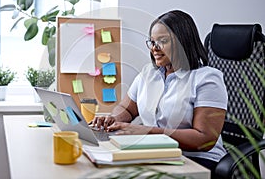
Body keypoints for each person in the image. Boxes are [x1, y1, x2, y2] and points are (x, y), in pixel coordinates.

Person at [92, 10, 228, 177]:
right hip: (157, 154)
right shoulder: (148, 74)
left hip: (198, 161)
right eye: (152, 42)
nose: (154, 49)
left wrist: (147, 132)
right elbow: (127, 109)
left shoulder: (207, 79)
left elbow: (204, 139)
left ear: (182, 41)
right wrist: (113, 119)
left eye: (162, 41)